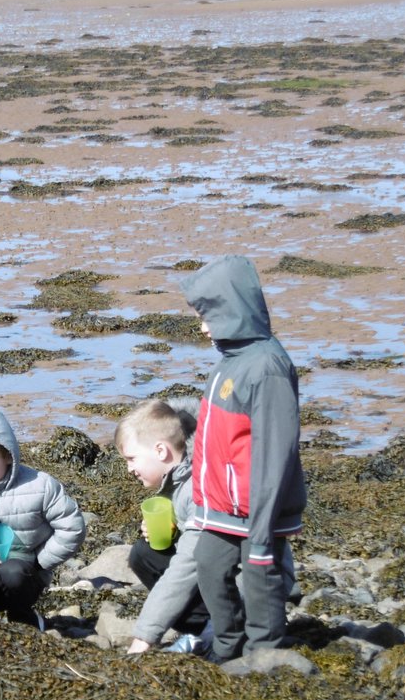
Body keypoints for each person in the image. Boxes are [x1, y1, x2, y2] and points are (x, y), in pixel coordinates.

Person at [180, 254, 307, 662]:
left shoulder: (268, 366)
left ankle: (264, 652)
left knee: (260, 574)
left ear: (233, 310)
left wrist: (263, 525)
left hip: (257, 508)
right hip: (221, 505)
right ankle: (227, 644)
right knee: (209, 565)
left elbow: (275, 451)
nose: (202, 326)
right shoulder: (228, 363)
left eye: (208, 315)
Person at [0, 407, 87, 630]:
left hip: (26, 570)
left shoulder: (39, 485)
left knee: (13, 572)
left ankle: (23, 616)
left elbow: (72, 527)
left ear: (7, 455)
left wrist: (41, 561)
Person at [114, 397, 213, 655]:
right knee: (144, 554)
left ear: (160, 451)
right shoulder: (181, 478)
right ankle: (202, 628)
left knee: (164, 563)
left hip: (244, 590)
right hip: (218, 575)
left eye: (132, 458)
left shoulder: (198, 487)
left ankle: (217, 631)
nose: (128, 469)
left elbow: (187, 566)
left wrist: (144, 637)